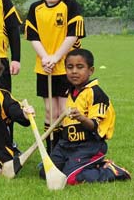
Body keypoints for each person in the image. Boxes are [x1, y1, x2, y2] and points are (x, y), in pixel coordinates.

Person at [40, 48, 130, 184]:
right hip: (66, 145)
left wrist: (81, 117)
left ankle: (111, 170)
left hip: (88, 146)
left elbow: (94, 126)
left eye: (80, 67)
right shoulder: (70, 90)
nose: (74, 71)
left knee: (70, 179)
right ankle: (82, 164)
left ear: (91, 71)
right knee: (46, 173)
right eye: (70, 67)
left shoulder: (96, 93)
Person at [25, 0, 85, 153]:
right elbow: (33, 37)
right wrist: (45, 58)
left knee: (65, 111)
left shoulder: (71, 5)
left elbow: (73, 35)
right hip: (45, 67)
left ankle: (67, 149)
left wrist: (56, 57)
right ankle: (51, 152)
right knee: (51, 111)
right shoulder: (35, 8)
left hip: (68, 68)